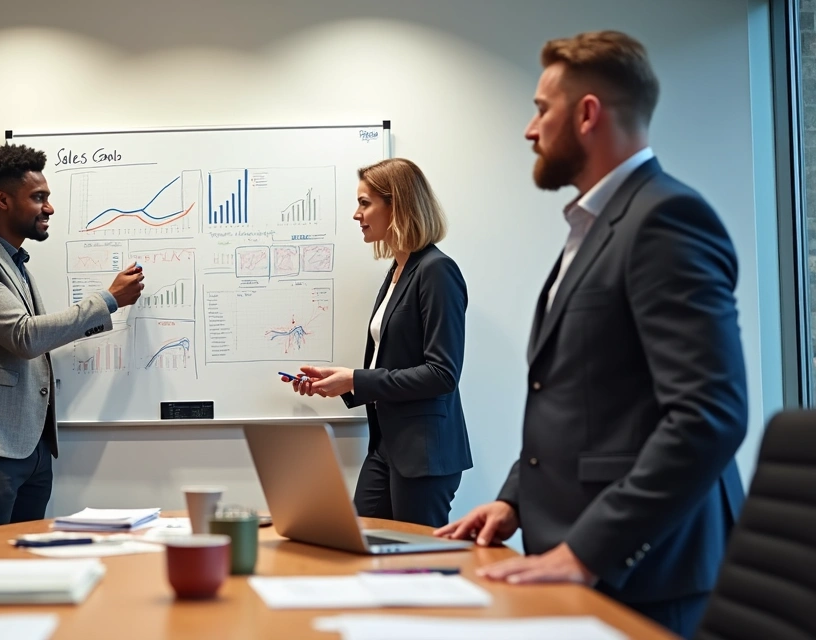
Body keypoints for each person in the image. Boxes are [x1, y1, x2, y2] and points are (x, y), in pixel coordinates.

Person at [434, 31, 747, 638]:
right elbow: (577, 394)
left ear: (586, 114)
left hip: (649, 577)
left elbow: (710, 414)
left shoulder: (665, 220)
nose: (530, 129)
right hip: (578, 561)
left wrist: (590, 551)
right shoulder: (599, 225)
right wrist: (514, 502)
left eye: (541, 108)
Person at [0, 143, 145, 532]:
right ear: (2, 200)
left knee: (22, 571)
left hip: (30, 449)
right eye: (38, 198)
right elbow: (24, 337)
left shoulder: (15, 262)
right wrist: (108, 301)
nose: (49, 208)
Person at [286, 158, 472, 528]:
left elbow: (441, 374)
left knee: (416, 572)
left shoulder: (437, 271)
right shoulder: (398, 271)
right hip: (386, 447)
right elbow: (393, 360)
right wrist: (340, 381)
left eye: (365, 203)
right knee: (362, 548)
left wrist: (356, 380)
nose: (356, 214)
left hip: (423, 454)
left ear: (397, 204)